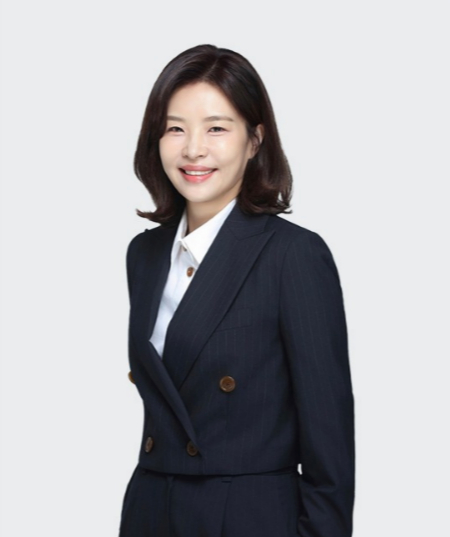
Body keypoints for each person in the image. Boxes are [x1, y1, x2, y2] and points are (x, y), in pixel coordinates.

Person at [119, 44, 355, 537]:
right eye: (175, 128)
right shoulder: (144, 255)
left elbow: (329, 444)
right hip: (150, 511)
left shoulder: (293, 256)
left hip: (246, 517)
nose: (193, 149)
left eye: (216, 129)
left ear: (254, 141)